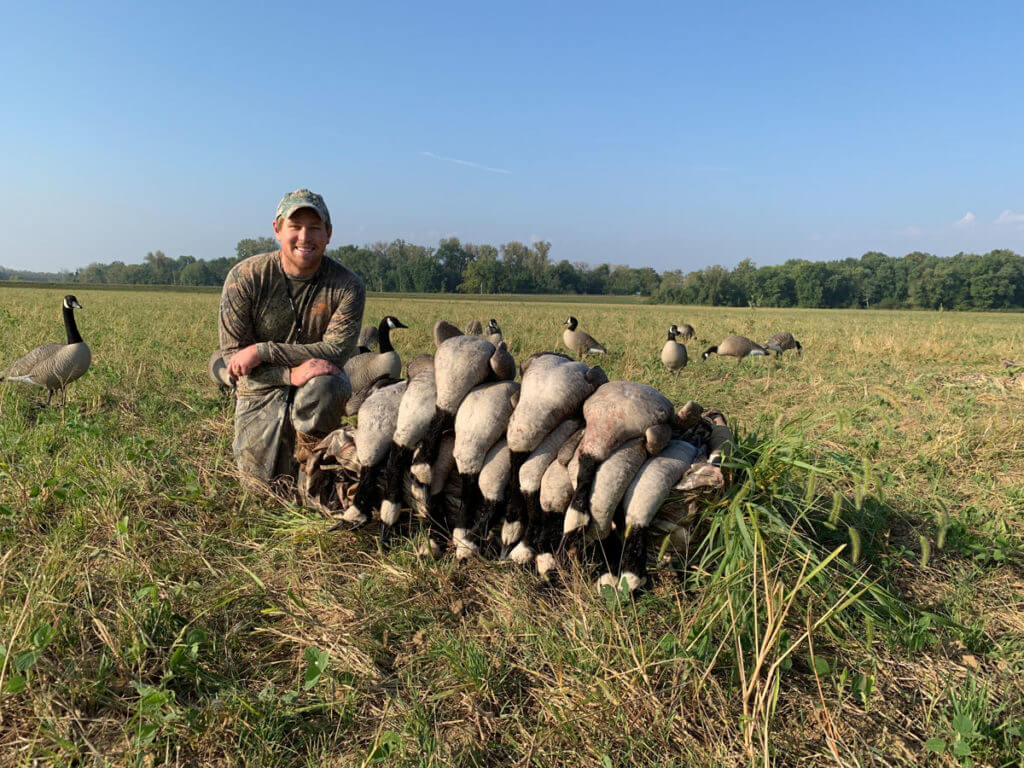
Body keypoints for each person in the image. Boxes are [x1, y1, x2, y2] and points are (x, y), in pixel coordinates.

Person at [218, 188, 365, 484]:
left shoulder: (347, 286)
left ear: (328, 234)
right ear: (277, 229)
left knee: (328, 382)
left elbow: (336, 350)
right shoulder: (246, 277)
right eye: (295, 227)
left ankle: (313, 468)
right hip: (262, 384)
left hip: (315, 385)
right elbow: (234, 359)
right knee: (261, 487)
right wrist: (288, 374)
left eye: (314, 228)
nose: (304, 237)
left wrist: (262, 351)